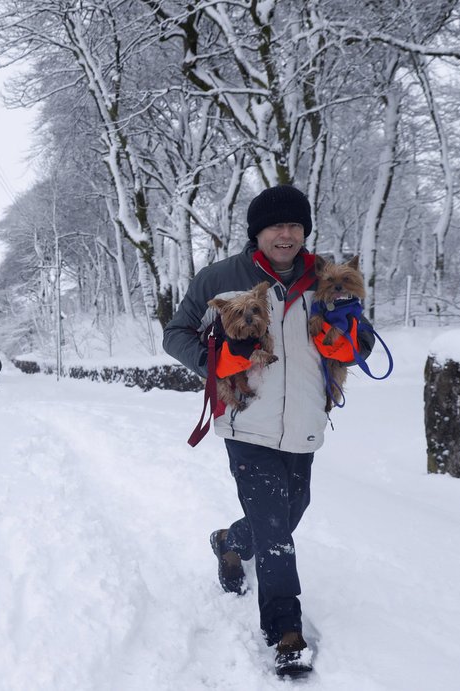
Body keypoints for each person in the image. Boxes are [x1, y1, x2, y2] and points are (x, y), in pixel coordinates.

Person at [162, 184, 373, 676]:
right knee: (276, 531)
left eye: (295, 225)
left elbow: (356, 338)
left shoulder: (327, 278)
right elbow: (176, 334)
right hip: (246, 421)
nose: (286, 234)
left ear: (305, 231)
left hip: (304, 422)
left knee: (291, 509)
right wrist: (216, 363)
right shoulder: (221, 277)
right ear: (257, 232)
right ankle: (285, 630)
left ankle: (231, 542)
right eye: (276, 226)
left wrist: (348, 342)